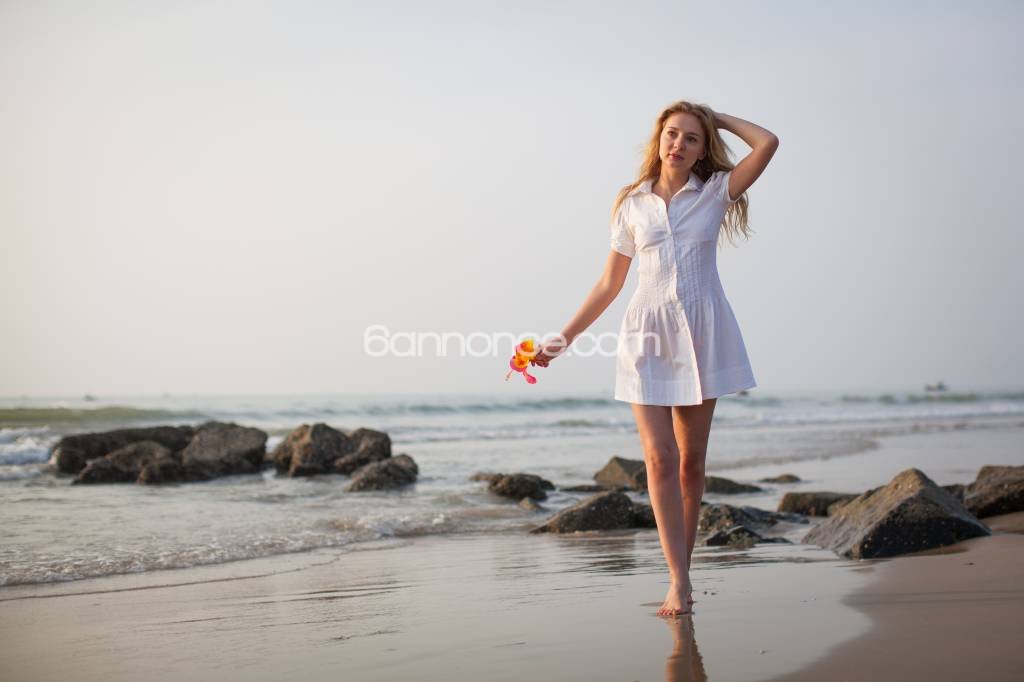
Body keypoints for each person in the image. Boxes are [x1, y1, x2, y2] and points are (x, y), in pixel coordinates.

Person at [532, 100, 778, 616]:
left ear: (703, 148)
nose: (679, 144)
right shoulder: (632, 203)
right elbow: (609, 284)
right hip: (646, 336)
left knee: (690, 464)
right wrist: (562, 339)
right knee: (658, 458)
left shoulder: (716, 192)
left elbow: (767, 143)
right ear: (658, 139)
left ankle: (682, 574)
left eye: (691, 137)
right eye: (672, 133)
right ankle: (677, 580)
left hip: (704, 335)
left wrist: (716, 117)